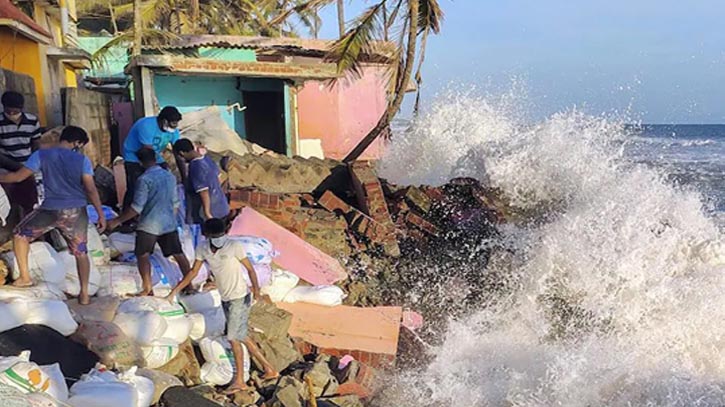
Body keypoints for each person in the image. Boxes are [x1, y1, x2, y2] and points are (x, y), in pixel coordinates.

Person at [166, 218, 279, 393]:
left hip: (240, 297)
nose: (218, 238)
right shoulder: (203, 248)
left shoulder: (233, 246)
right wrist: (175, 290)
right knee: (241, 336)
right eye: (214, 235)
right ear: (208, 235)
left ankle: (239, 381)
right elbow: (193, 272)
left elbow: (250, 269)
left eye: (220, 235)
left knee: (233, 338)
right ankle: (269, 368)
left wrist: (256, 291)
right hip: (225, 298)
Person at [0, 126, 106, 304]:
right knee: (80, 252)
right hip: (76, 212)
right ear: (77, 143)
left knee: (19, 235)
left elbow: (18, 177)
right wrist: (100, 213)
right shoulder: (82, 160)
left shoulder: (41, 155)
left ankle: (25, 277)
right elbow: (90, 188)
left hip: (50, 210)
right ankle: (85, 294)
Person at [108, 147, 191, 296]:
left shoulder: (144, 180)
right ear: (155, 158)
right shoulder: (169, 177)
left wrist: (116, 221)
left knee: (143, 254)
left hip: (149, 225)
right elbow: (175, 203)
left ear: (140, 162)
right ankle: (189, 284)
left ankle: (147, 288)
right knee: (178, 253)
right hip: (168, 223)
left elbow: (136, 207)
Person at [122, 106, 182, 214]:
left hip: (155, 155)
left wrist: (183, 175)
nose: (174, 128)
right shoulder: (145, 125)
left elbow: (178, 152)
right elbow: (147, 153)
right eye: (172, 124)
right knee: (136, 186)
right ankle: (127, 218)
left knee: (165, 179)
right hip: (134, 155)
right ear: (164, 121)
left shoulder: (174, 131)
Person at [0, 91, 42, 214]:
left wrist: (31, 166)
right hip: (5, 166)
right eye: (9, 112)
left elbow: (36, 145)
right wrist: (16, 167)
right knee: (6, 199)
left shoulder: (32, 121)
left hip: (27, 165)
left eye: (15, 111)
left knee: (30, 199)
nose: (12, 114)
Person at [173, 138, 230, 224]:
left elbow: (204, 192)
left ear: (181, 153)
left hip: (209, 212)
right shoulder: (207, 159)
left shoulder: (195, 166)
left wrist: (207, 214)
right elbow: (219, 179)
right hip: (221, 206)